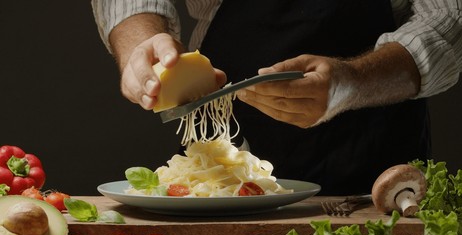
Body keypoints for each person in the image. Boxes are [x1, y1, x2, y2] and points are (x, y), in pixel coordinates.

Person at [91, 0, 462, 195]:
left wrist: (354, 80)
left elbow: (451, 17)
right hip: (230, 151)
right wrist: (140, 42)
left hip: (375, 147)